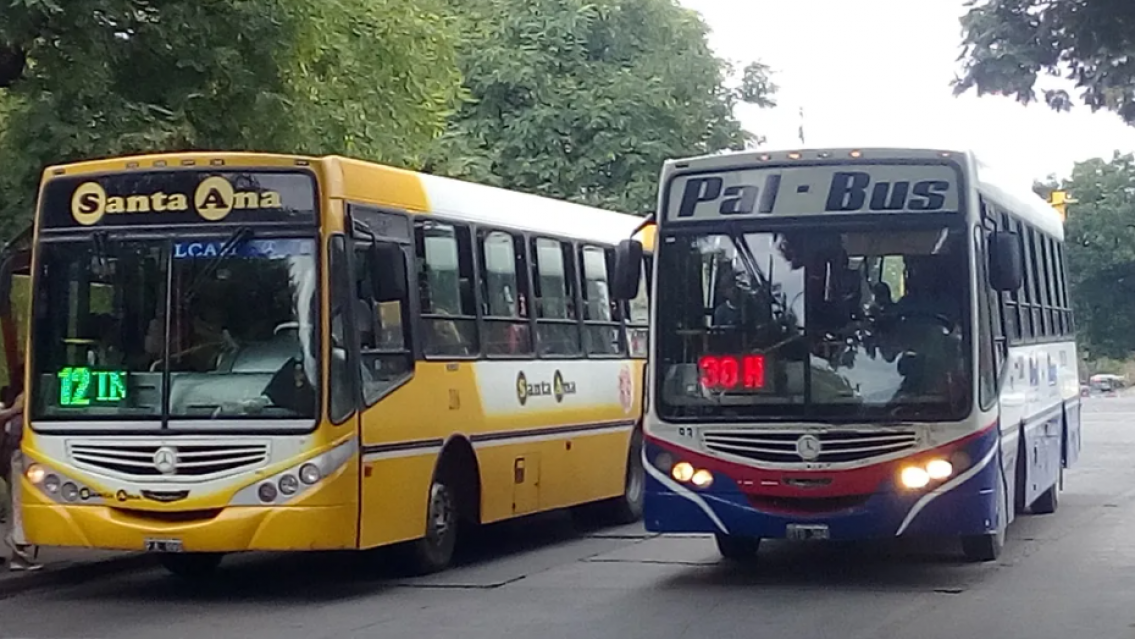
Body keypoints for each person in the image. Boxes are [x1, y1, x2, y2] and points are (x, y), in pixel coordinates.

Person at [0, 392, 39, 572]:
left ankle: (18, 551)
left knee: (15, 504)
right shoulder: (25, 399)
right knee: (17, 504)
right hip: (17, 455)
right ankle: (18, 552)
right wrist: (15, 410)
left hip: (13, 454)